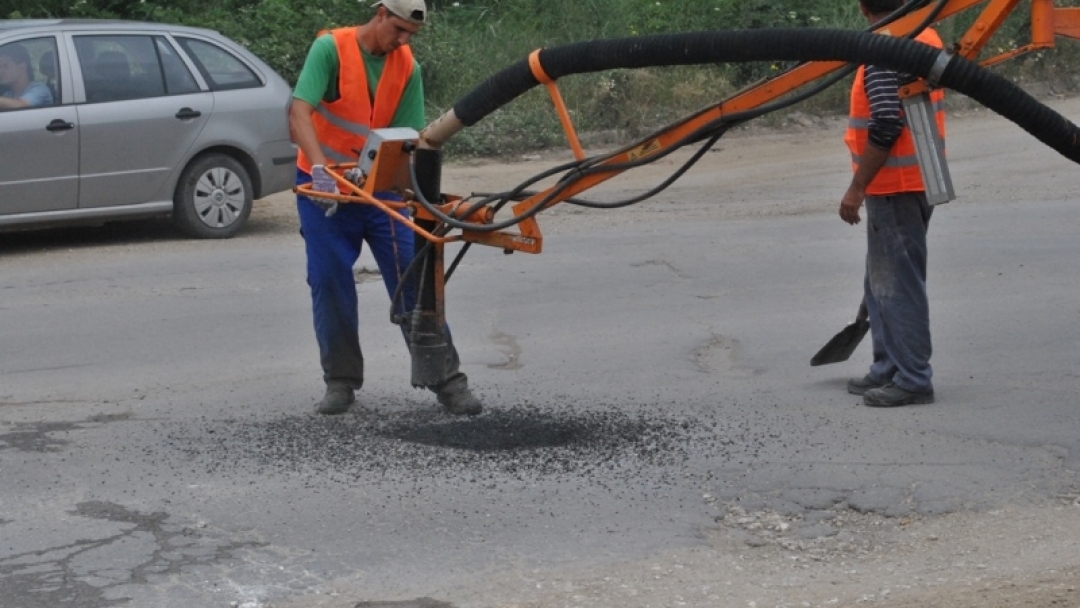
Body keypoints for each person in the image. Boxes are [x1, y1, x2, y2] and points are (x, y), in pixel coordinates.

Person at [289, 0, 483, 416]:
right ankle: (340, 381)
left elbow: (411, 138)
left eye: (410, 35)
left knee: (412, 282)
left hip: (379, 191)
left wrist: (413, 191)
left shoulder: (406, 66)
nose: (403, 40)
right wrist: (321, 171)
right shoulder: (331, 50)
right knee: (329, 281)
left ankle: (446, 379)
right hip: (325, 188)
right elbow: (299, 112)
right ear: (379, 14)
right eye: (398, 29)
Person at [840, 0, 945, 407]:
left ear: (864, 7)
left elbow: (885, 122)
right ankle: (887, 367)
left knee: (898, 285)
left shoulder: (886, 50)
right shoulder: (924, 34)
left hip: (894, 184)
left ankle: (914, 378)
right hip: (920, 176)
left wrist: (855, 189)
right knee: (882, 280)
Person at [0, 44, 53, 110]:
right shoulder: (8, 95)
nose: (1, 72)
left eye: (5, 66)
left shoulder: (40, 89)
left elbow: (21, 105)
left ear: (22, 67)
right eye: (0, 67)